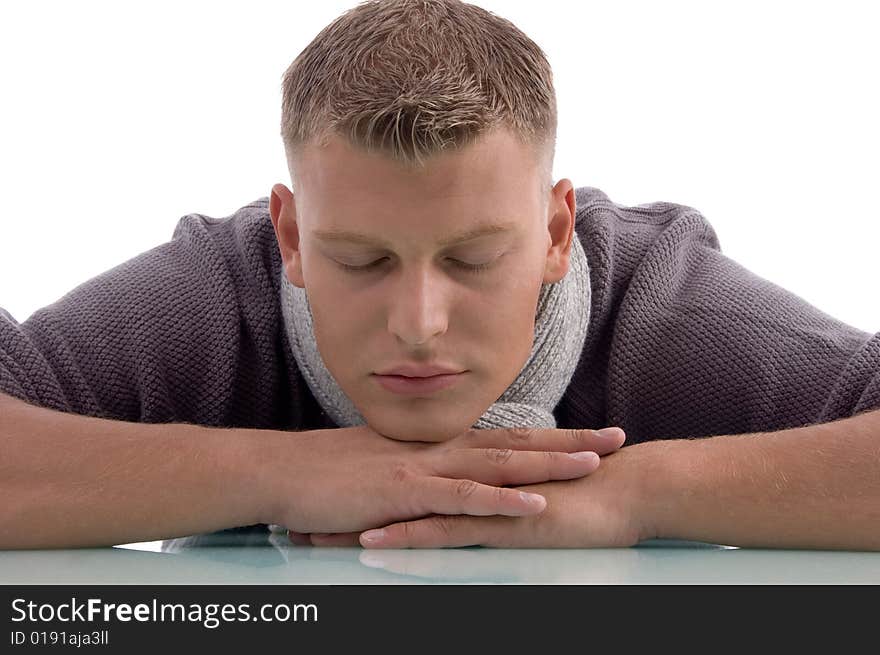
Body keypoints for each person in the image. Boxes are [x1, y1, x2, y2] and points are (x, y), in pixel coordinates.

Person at [1, 0, 877, 551]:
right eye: (362, 259)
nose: (418, 322)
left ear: (554, 232)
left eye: (473, 257)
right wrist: (285, 471)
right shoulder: (210, 299)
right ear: (293, 236)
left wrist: (632, 496)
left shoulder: (662, 307)